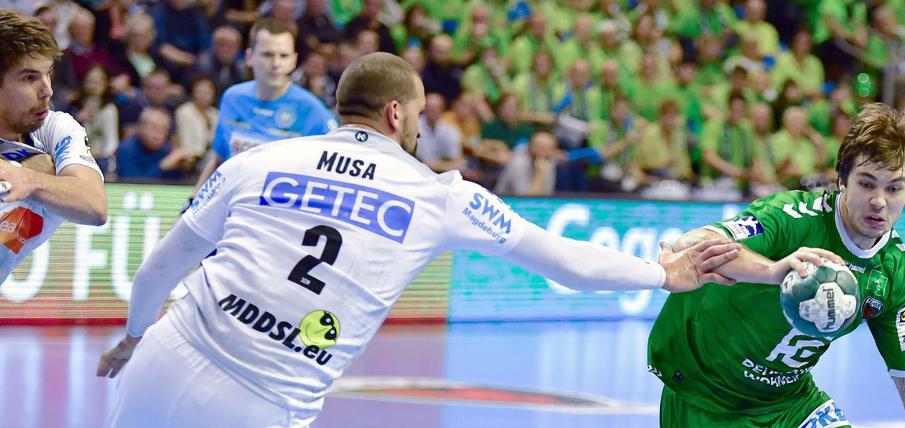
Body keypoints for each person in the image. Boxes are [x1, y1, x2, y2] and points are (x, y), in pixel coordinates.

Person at [97, 52, 741, 427]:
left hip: (167, 353)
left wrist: (133, 334)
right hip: (263, 403)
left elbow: (162, 266)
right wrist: (663, 275)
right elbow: (566, 261)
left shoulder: (259, 160)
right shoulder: (443, 196)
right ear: (398, 114)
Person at [647, 103, 905, 427]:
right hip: (705, 392)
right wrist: (773, 271)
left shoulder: (894, 278)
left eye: (894, 188)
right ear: (842, 180)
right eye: (866, 184)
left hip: (789, 403)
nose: (879, 201)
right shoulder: (793, 216)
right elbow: (692, 244)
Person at [0, 10, 107, 280]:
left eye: (47, 74)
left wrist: (28, 179)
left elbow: (94, 207)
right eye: (29, 78)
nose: (47, 90)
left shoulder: (54, 128)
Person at [189, 17, 338, 207]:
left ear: (293, 61)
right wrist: (193, 201)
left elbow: (333, 173)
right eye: (268, 54)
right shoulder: (233, 97)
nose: (276, 63)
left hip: (278, 217)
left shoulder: (313, 110)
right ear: (249, 56)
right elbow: (218, 159)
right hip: (230, 206)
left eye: (283, 56)